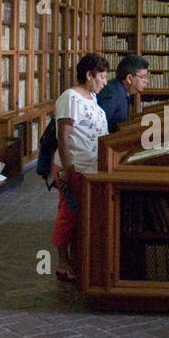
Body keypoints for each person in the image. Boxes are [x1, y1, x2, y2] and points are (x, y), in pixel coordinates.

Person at [51, 53, 109, 282]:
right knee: (68, 214)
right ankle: (62, 263)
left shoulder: (91, 97)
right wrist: (66, 168)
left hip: (90, 167)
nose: (105, 82)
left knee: (81, 214)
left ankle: (79, 258)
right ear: (89, 75)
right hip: (73, 167)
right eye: (102, 77)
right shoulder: (70, 98)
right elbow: (63, 136)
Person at [95, 54, 149, 132]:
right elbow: (98, 127)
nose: (146, 81)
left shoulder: (122, 91)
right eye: (142, 77)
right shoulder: (112, 95)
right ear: (129, 78)